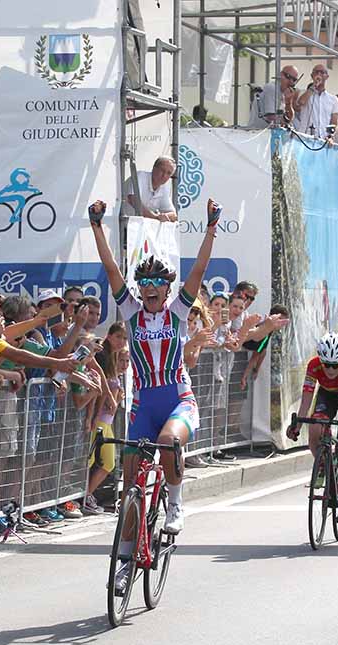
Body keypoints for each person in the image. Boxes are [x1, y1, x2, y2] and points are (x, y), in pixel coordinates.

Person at [89, 194, 219, 574]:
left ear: (165, 290)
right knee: (130, 489)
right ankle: (127, 559)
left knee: (168, 442)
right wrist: (97, 226)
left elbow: (198, 270)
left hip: (178, 400)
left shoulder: (178, 311)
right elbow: (111, 269)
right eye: (142, 285)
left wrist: (211, 228)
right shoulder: (130, 311)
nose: (147, 290)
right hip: (144, 404)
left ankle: (176, 502)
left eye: (155, 286)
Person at [286, 333, 338, 522]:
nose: (330, 370)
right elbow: (306, 402)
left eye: (335, 365)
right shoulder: (314, 365)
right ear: (321, 360)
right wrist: (297, 425)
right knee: (315, 426)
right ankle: (323, 463)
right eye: (327, 364)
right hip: (327, 395)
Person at [294, 64, 338, 140]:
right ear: (312, 76)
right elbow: (301, 103)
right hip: (304, 138)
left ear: (327, 76)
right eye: (316, 72)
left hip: (323, 140)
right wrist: (313, 87)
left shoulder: (333, 99)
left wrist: (330, 136)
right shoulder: (303, 93)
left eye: (322, 72)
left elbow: (334, 122)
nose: (319, 75)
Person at [126, 155, 177, 222]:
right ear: (154, 168)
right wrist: (155, 217)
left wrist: (164, 216)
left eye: (168, 173)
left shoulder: (164, 187)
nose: (164, 176)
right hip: (121, 223)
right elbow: (133, 200)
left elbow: (173, 215)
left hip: (141, 227)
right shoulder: (140, 176)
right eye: (162, 170)